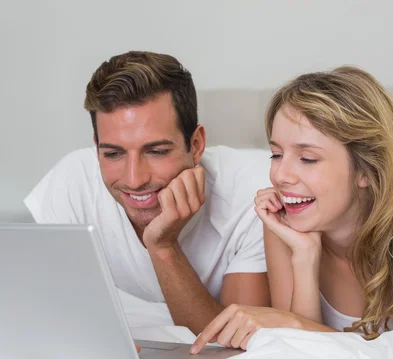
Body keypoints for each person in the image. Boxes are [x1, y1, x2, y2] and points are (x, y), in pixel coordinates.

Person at [191, 67, 393, 353]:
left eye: (307, 159)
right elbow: (303, 354)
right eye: (276, 154)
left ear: (365, 169)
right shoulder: (284, 228)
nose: (281, 176)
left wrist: (298, 325)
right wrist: (305, 256)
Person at [24, 51, 271, 335]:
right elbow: (51, 315)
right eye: (113, 153)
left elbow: (238, 348)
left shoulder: (254, 195)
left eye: (156, 151)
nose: (135, 179)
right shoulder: (72, 182)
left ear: (197, 144)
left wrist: (163, 247)